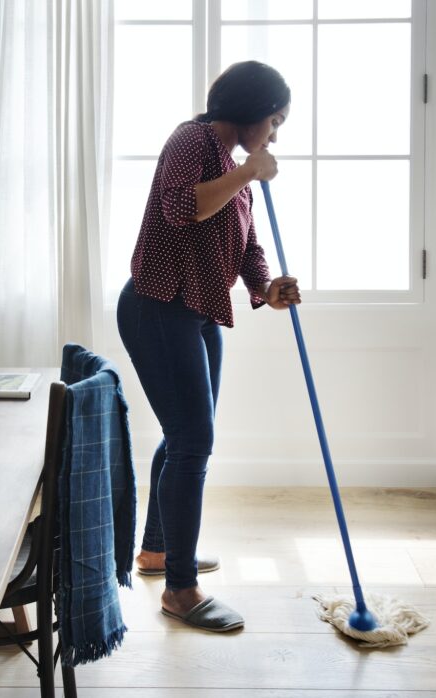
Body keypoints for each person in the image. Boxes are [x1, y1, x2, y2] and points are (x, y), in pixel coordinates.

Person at [116, 61, 300, 632]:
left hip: (198, 310)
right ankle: (180, 590)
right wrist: (248, 172)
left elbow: (241, 239)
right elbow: (180, 209)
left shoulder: (229, 161)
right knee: (194, 440)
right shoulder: (191, 139)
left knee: (185, 436)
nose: (274, 134)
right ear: (249, 111)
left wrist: (266, 286)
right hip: (158, 305)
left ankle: (158, 551)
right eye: (274, 121)